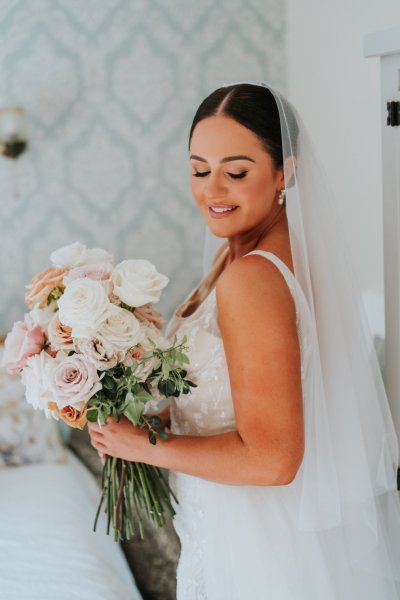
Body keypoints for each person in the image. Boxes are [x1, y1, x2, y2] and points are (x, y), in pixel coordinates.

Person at [88, 82, 400, 599]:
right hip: (247, 527)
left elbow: (272, 459)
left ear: (285, 172)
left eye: (236, 172)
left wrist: (141, 446)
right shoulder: (251, 254)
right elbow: (260, 393)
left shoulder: (253, 277)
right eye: (198, 170)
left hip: (257, 542)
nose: (212, 191)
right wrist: (163, 419)